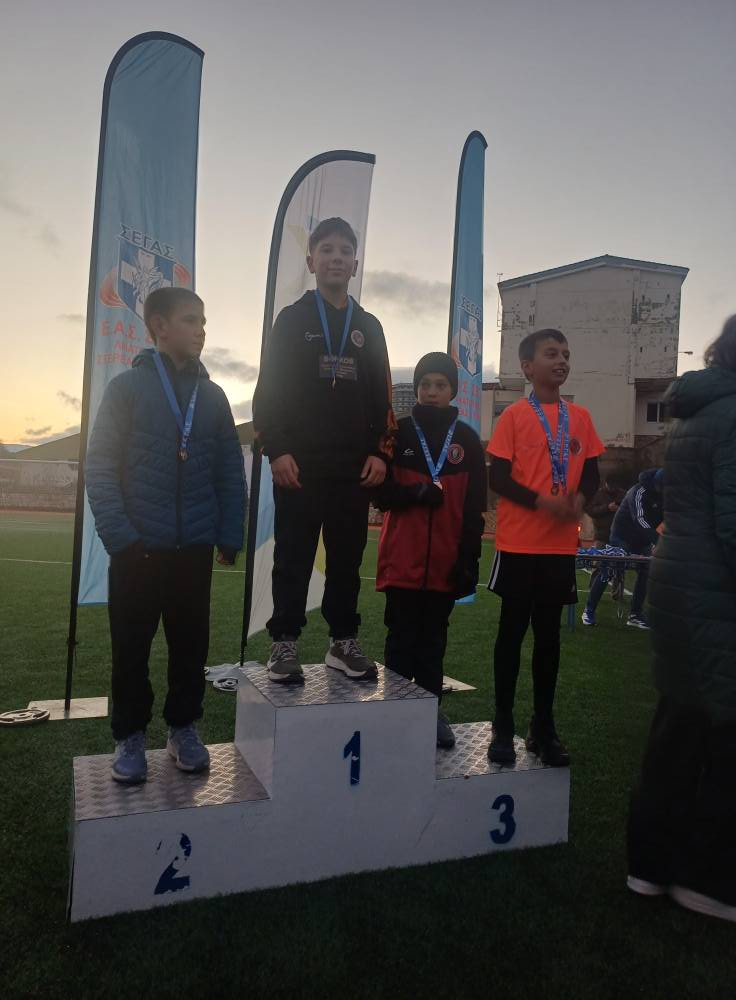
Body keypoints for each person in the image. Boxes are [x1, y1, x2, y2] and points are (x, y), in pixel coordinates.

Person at [86, 287, 246, 784]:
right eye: (190, 320)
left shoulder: (213, 397)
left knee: (190, 647)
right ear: (158, 326)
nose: (201, 330)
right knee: (131, 649)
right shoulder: (126, 390)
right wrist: (121, 538)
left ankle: (183, 728)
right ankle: (130, 736)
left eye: (204, 321)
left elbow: (229, 469)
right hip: (137, 550)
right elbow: (100, 467)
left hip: (192, 549)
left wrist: (229, 532)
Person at [626, 316, 736, 923]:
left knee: (677, 727)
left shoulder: (696, 411)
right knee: (724, 737)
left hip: (678, 580)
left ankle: (650, 866)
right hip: (717, 590)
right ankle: (707, 880)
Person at [252, 217, 393, 684]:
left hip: (353, 469)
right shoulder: (292, 320)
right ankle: (284, 643)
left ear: (356, 264)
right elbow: (269, 391)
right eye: (326, 250)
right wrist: (276, 450)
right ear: (311, 261)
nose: (336, 258)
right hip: (300, 465)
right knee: (293, 557)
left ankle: (342, 641)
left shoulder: (369, 327)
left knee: (347, 561)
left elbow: (382, 398)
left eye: (345, 251)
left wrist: (380, 453)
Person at [487, 328, 604, 766]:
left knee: (549, 640)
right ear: (527, 367)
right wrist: (543, 503)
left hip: (558, 548)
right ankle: (502, 725)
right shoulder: (514, 417)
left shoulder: (581, 418)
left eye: (566, 354)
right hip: (519, 545)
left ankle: (543, 726)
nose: (562, 361)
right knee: (511, 636)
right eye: (551, 353)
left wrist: (578, 500)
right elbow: (497, 478)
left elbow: (591, 473)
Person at [373, 353, 486, 749]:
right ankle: (394, 712)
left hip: (445, 563)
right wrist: (418, 493)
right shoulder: (398, 433)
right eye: (424, 384)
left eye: (440, 385)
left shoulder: (467, 440)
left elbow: (474, 510)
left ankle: (430, 712)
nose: (431, 391)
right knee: (400, 640)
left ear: (453, 390)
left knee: (434, 643)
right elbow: (380, 494)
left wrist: (468, 561)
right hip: (401, 561)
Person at [581, 468, 662, 629]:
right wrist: (659, 540)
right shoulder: (637, 492)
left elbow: (672, 517)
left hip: (642, 539)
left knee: (646, 571)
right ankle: (589, 610)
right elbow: (639, 519)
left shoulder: (668, 495)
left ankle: (635, 615)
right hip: (621, 535)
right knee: (608, 570)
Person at [585, 477, 626, 546]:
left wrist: (619, 509)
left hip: (619, 535)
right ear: (606, 483)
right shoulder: (597, 494)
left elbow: (630, 510)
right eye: (610, 486)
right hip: (601, 536)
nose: (612, 488)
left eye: (614, 486)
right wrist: (607, 508)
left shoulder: (623, 494)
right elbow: (591, 511)